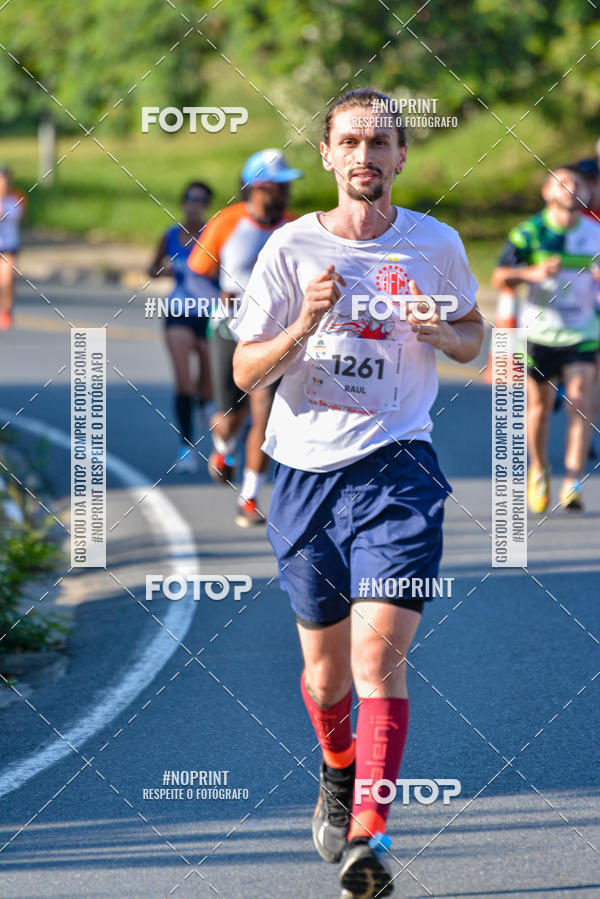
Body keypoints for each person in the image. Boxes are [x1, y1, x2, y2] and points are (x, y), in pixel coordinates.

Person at [230, 88, 483, 898]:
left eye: (381, 142)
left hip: (398, 466)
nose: (366, 156)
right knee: (327, 676)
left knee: (380, 658)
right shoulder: (288, 250)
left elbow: (475, 335)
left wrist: (439, 329)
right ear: (329, 155)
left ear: (402, 156)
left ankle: (368, 833)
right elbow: (244, 371)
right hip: (303, 474)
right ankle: (338, 771)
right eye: (351, 142)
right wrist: (301, 327)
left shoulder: (436, 244)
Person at [187, 149, 302, 527]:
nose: (283, 194)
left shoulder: (296, 228)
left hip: (272, 337)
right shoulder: (227, 222)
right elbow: (197, 274)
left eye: (286, 186)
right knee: (230, 419)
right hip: (227, 331)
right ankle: (223, 447)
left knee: (265, 416)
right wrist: (216, 299)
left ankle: (249, 497)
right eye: (275, 186)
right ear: (253, 188)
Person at [493, 165, 600, 513]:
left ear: (587, 194)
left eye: (578, 184)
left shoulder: (595, 233)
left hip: (583, 333)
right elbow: (499, 277)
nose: (571, 189)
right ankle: (538, 468)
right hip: (539, 334)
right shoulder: (530, 233)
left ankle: (573, 481)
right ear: (547, 192)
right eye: (563, 183)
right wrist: (530, 273)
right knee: (538, 408)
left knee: (581, 403)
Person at [148, 181, 213, 471]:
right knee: (184, 382)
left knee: (208, 387)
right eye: (189, 198)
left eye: (200, 199)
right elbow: (151, 268)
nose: (194, 204)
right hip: (178, 312)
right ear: (183, 202)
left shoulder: (215, 235)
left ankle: (208, 412)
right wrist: (164, 270)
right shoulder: (170, 236)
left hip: (212, 315)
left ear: (207, 205)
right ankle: (186, 448)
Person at [0, 166, 26, 332]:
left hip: (9, 246)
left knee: (7, 279)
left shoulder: (16, 199)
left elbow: (18, 217)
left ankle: (6, 310)